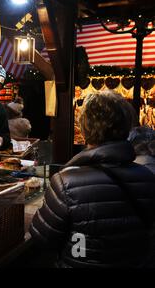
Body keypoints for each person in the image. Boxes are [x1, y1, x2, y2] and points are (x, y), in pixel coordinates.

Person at [29, 91, 155, 267]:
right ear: (126, 127)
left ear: (85, 128)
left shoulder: (66, 183)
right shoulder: (148, 178)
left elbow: (42, 237)